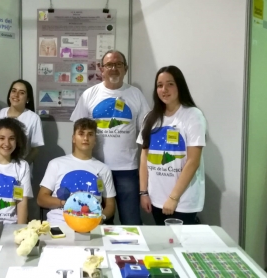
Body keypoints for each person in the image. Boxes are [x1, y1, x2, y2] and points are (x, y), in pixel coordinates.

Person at [70, 50, 150, 225]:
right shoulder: (89, 95)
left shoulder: (136, 95)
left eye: (118, 64)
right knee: (99, 222)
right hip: (95, 169)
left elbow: (146, 135)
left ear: (125, 68)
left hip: (126, 170)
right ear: (101, 69)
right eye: (109, 65)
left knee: (131, 222)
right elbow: (77, 133)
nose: (113, 68)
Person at [137, 65, 206, 225]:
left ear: (179, 86)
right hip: (155, 199)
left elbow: (193, 162)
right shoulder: (150, 117)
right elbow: (144, 158)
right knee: (165, 245)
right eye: (160, 85)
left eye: (170, 84)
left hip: (182, 201)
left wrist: (173, 198)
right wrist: (143, 192)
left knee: (181, 247)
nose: (164, 89)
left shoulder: (192, 115)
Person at [37, 118, 116, 224]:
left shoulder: (103, 169)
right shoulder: (56, 164)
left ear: (95, 140)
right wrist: (65, 203)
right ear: (73, 138)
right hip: (60, 223)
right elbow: (41, 199)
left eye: (90, 134)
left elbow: (110, 205)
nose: (86, 138)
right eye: (81, 133)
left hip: (91, 225)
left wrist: (101, 218)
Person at [0, 79, 44, 164]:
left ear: (27, 98)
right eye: (13, 91)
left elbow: (35, 150)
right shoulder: (0, 113)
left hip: (21, 169)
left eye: (21, 93)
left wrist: (22, 166)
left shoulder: (33, 118)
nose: (16, 95)